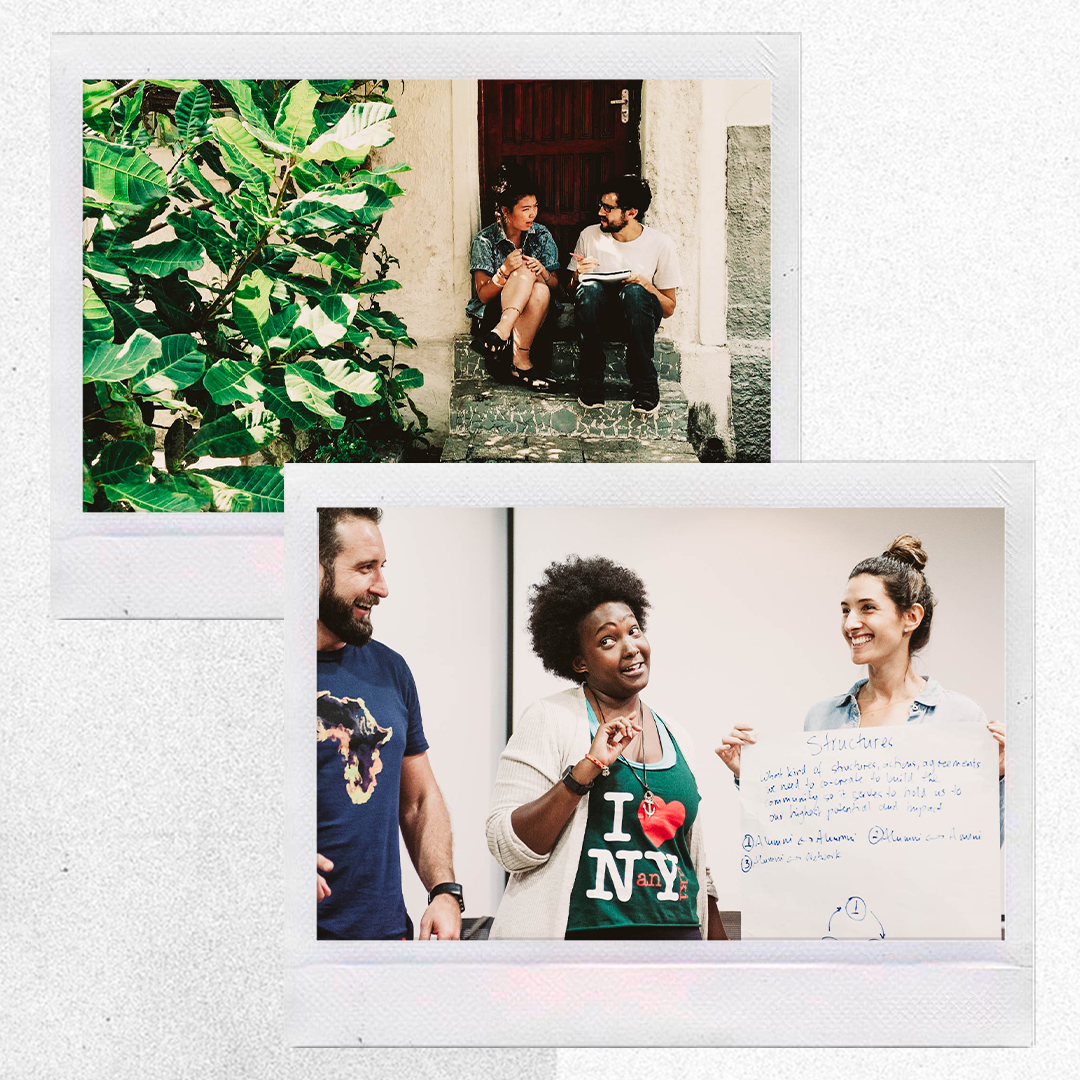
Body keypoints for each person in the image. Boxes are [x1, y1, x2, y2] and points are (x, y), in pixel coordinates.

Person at [486, 555, 726, 940]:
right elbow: (507, 845)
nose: (630, 647)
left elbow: (689, 858)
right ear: (580, 661)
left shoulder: (677, 735)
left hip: (678, 946)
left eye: (634, 631)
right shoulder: (550, 718)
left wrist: (717, 951)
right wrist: (589, 766)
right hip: (582, 948)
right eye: (608, 640)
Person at [716, 535, 1005, 843]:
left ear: (911, 617)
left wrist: (999, 775)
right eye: (845, 610)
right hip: (839, 891)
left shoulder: (959, 717)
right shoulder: (823, 719)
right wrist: (749, 776)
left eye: (867, 608)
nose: (851, 623)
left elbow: (982, 843)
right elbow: (803, 836)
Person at [316, 507, 463, 940]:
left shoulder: (390, 669)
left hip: (384, 938)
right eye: (365, 569)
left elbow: (417, 799)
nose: (381, 587)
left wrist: (444, 891)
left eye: (382, 568)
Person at [568, 175, 681, 414]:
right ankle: (591, 382)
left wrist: (645, 284)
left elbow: (669, 308)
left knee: (634, 292)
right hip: (597, 321)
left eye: (608, 208)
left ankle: (645, 385)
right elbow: (569, 293)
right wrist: (577, 275)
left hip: (637, 321)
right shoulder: (589, 236)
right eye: (601, 205)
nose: (600, 212)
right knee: (590, 289)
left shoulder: (661, 244)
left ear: (631, 212)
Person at [467, 163, 561, 390]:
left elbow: (557, 286)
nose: (533, 214)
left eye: (535, 207)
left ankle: (501, 334)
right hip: (495, 318)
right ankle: (519, 360)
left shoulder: (541, 234)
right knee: (527, 275)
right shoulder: (485, 240)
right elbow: (484, 296)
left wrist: (543, 272)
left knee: (539, 284)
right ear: (506, 211)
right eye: (525, 208)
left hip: (531, 328)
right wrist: (504, 271)